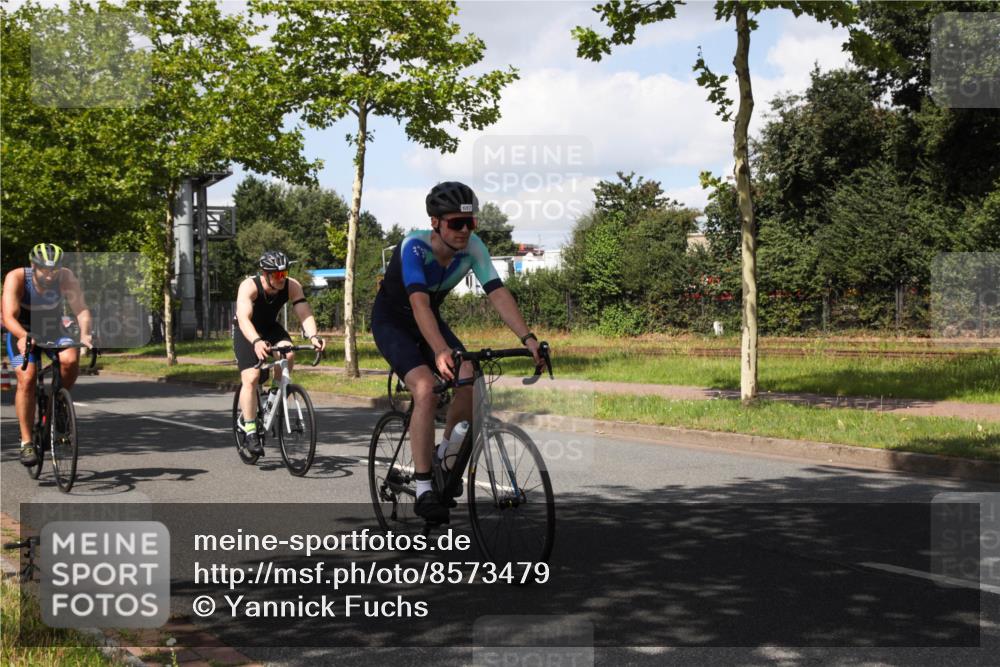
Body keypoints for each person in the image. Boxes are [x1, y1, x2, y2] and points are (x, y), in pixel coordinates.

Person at [371, 182, 542, 523]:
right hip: (394, 321)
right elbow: (419, 305)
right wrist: (439, 351)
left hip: (429, 318)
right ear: (435, 223)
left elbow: (497, 293)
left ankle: (446, 457)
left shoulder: (473, 248)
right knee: (425, 388)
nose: (465, 230)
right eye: (456, 223)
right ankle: (423, 488)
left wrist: (528, 338)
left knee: (469, 375)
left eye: (470, 222)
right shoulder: (413, 247)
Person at [2, 243, 92, 466]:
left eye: (55, 269)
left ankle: (56, 409)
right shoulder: (17, 277)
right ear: (33, 266)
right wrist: (22, 336)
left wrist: (86, 334)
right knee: (27, 378)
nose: (50, 275)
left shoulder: (66, 277)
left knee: (70, 360)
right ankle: (26, 442)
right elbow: (9, 316)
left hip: (53, 329)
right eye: (45, 269)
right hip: (22, 330)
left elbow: (81, 309)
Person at [233, 251, 326, 455]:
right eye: (277, 274)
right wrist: (256, 341)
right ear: (265, 274)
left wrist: (313, 336)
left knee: (288, 354)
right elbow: (244, 318)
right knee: (252, 377)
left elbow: (304, 313)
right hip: (246, 330)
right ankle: (250, 430)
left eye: (284, 274)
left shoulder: (292, 286)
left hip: (270, 327)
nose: (282, 278)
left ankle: (274, 394)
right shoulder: (249, 286)